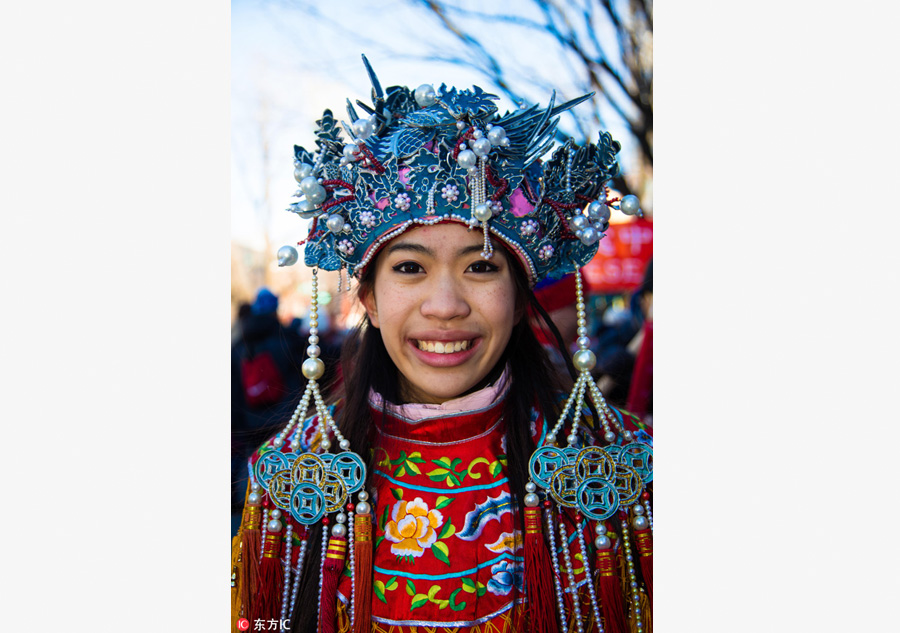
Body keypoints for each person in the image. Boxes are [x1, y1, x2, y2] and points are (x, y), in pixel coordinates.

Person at [231, 56, 653, 633]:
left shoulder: (619, 465)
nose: (446, 305)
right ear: (370, 299)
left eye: (480, 265)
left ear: (519, 292)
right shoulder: (293, 475)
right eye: (409, 267)